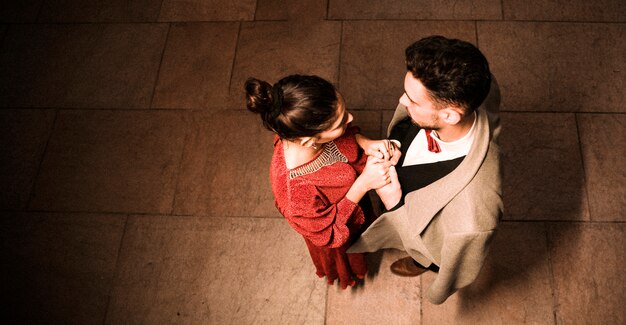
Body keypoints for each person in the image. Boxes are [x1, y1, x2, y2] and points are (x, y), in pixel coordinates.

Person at [348, 35, 503, 304]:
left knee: (429, 258)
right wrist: (397, 143)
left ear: (450, 115)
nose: (402, 101)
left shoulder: (474, 218)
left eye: (413, 100)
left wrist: (394, 203)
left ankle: (418, 263)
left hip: (428, 238)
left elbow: (451, 260)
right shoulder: (482, 85)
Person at [245, 74, 397, 289]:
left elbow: (343, 138)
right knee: (351, 251)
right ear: (309, 140)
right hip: (338, 228)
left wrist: (365, 142)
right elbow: (331, 232)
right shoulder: (295, 194)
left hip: (353, 204)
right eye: (340, 122)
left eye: (345, 111)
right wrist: (363, 184)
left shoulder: (298, 132)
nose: (351, 118)